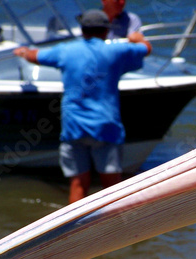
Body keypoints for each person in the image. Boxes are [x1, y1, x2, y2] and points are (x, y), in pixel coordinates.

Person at [13, 9, 152, 204]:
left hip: (74, 127)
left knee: (78, 184)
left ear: (82, 30)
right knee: (112, 189)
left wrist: (23, 52)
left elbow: (35, 56)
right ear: (105, 31)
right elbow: (146, 49)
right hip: (106, 127)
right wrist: (138, 38)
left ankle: (73, 230)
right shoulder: (116, 51)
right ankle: (116, 231)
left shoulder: (66, 51)